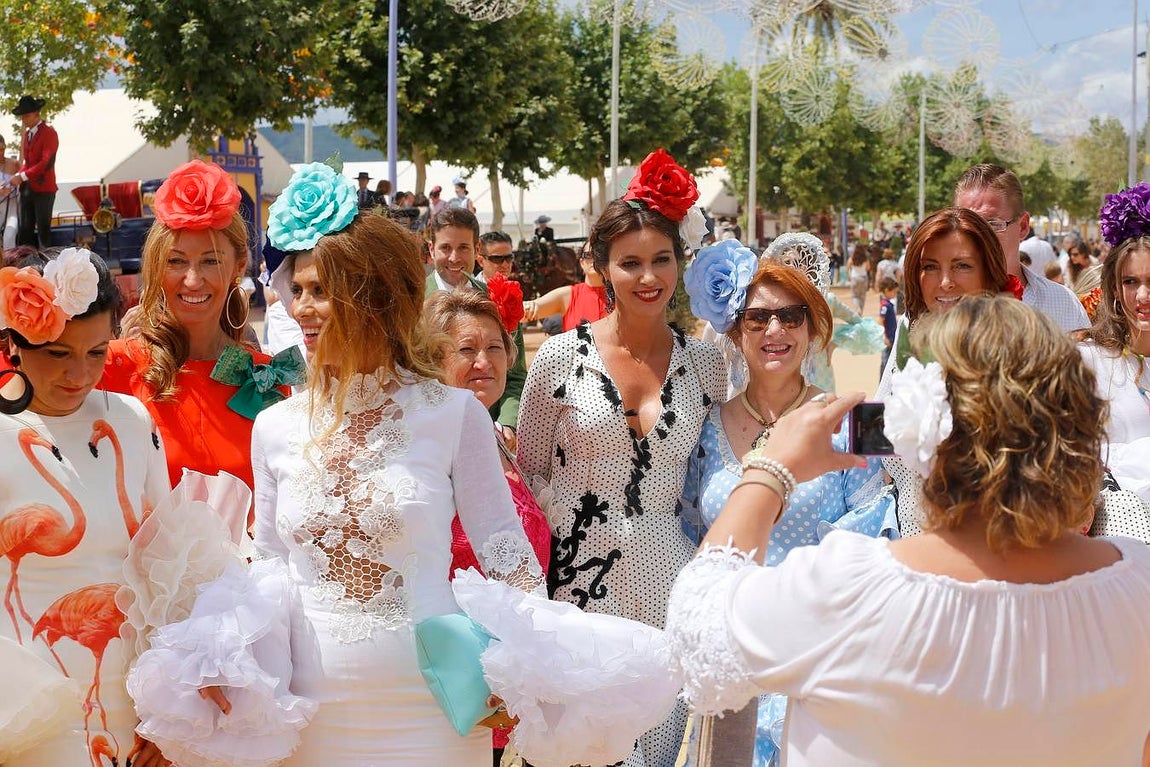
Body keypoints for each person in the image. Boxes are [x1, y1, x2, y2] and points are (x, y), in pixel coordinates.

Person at [667, 294, 1150, 767]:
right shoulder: (1139, 583)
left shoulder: (850, 588)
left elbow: (697, 628)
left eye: (791, 316)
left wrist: (771, 470)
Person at [242, 164, 543, 765]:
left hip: (436, 708)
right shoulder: (272, 427)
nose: (302, 308)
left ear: (373, 299)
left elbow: (508, 554)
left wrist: (522, 667)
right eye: (295, 289)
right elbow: (267, 566)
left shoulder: (455, 414)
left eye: (321, 290)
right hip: (312, 712)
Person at [516, 149, 727, 767]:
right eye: (629, 262)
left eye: (661, 260)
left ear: (679, 263)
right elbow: (530, 475)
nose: (647, 277)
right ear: (602, 269)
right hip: (577, 589)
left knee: (658, 753)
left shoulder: (706, 365)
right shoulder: (557, 360)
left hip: (670, 583)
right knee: (581, 752)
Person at [681, 254, 896, 767]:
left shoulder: (863, 418)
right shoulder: (699, 423)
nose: (774, 329)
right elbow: (689, 536)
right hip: (731, 659)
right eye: (757, 318)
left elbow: (876, 544)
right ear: (736, 332)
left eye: (791, 315)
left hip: (819, 663)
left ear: (813, 326)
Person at [0, 247, 170, 767]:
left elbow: (170, 565)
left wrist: (173, 711)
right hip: (31, 716)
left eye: (97, 353)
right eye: (58, 353)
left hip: (138, 710)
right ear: (15, 343)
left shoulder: (133, 420)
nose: (80, 374)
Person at [101, 160, 302, 492]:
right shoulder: (111, 368)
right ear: (155, 265)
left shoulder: (269, 379)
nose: (193, 280)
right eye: (176, 261)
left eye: (211, 261)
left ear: (239, 266)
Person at [423, 289, 553, 767]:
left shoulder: (500, 439)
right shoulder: (430, 447)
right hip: (462, 685)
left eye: (495, 347)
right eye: (465, 350)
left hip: (513, 678)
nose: (483, 361)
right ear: (432, 357)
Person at [879, 208, 1012, 537]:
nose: (946, 282)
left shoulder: (1015, 344)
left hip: (990, 543)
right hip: (912, 536)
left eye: (962, 266)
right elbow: (880, 430)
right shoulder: (913, 329)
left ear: (988, 270)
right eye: (930, 267)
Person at [1079, 182, 1150, 509]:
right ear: (1114, 289)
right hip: (1118, 538)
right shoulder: (1089, 361)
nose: (1142, 297)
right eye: (1130, 282)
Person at [425, 210, 525, 438]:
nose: (454, 258)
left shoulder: (500, 299)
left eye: (463, 247)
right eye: (445, 248)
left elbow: (516, 375)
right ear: (431, 249)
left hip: (490, 435)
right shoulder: (410, 304)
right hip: (428, 436)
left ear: (477, 249)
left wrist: (508, 423)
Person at [954, 163, 1089, 332]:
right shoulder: (942, 300)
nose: (979, 236)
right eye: (967, 226)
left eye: (993, 224)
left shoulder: (1063, 302)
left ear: (1023, 226)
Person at [523, 242, 609, 332]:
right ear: (581, 263)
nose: (594, 259)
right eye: (588, 255)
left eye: (600, 254)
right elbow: (529, 309)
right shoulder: (568, 295)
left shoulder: (621, 294)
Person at [10, 96, 59, 250]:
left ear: (37, 113)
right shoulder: (28, 135)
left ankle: (47, 263)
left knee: (43, 229)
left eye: (27, 115)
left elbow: (45, 163)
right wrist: (18, 175)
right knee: (25, 229)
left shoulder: (49, 133)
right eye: (22, 116)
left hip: (44, 190)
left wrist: (22, 176)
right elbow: (28, 164)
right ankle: (26, 262)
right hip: (28, 189)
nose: (24, 119)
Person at [878, 276, 898, 375]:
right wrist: (884, 337)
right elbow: (881, 320)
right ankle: (883, 383)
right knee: (886, 362)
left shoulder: (889, 304)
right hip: (888, 338)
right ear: (887, 290)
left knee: (890, 362)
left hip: (892, 337)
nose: (895, 294)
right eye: (894, 292)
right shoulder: (885, 305)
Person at [846, 244, 869, 313]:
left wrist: (849, 276)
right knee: (862, 296)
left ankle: (857, 308)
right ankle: (861, 311)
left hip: (854, 277)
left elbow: (847, 267)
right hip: (863, 278)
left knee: (855, 296)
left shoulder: (852, 258)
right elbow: (868, 268)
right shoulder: (865, 258)